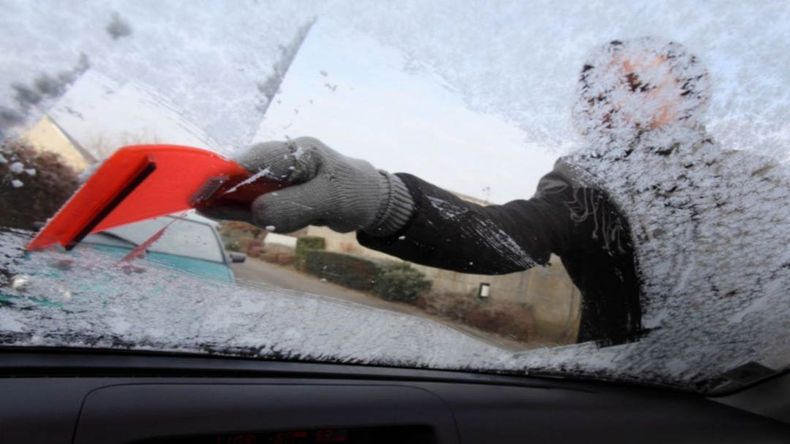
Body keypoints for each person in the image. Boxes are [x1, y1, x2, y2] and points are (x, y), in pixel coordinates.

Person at [204, 37, 788, 346]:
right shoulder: (586, 189)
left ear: (689, 97)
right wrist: (375, 197)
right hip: (632, 398)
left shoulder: (763, 183)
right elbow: (502, 238)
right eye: (596, 87)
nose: (609, 98)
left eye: (634, 83)